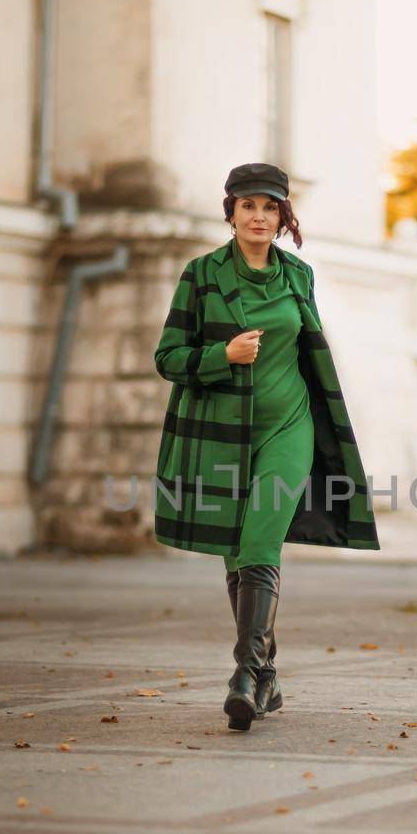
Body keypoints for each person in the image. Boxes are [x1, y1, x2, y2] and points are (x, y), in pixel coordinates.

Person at [151, 162, 381, 732]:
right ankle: (268, 673)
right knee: (238, 549)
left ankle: (245, 676)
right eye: (248, 205)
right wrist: (220, 356)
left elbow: (311, 352)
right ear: (229, 211)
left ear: (283, 217)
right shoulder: (200, 275)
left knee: (259, 539)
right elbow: (167, 359)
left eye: (270, 207)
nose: (258, 216)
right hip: (223, 433)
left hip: (290, 425)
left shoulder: (298, 276)